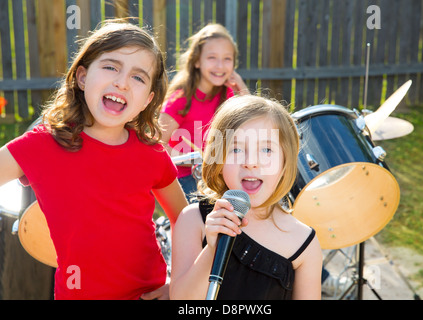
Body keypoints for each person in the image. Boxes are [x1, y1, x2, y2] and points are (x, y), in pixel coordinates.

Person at [0, 21, 188, 300]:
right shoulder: (41, 145)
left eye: (138, 77)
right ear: (82, 77)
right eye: (111, 67)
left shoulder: (152, 154)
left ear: (147, 100)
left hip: (147, 294)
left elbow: (185, 220)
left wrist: (178, 284)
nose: (122, 82)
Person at [170, 95, 323, 300]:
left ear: (286, 161)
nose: (251, 162)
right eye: (236, 149)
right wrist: (212, 249)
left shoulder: (305, 242)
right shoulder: (193, 220)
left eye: (266, 149)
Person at [159, 24, 249, 201]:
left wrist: (242, 89)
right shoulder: (181, 99)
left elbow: (252, 123)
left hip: (216, 175)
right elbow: (157, 143)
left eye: (227, 59)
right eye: (212, 58)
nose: (220, 65)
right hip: (185, 178)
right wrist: (192, 158)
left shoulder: (227, 93)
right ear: (197, 61)